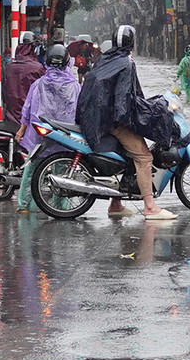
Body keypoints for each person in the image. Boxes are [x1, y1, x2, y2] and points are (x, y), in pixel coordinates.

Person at [75, 24, 176, 220]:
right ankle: (150, 207)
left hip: (96, 118)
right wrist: (137, 119)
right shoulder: (127, 63)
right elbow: (124, 100)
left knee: (126, 157)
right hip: (113, 121)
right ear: (132, 43)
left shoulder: (105, 58)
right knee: (144, 157)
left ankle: (116, 204)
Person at [15, 43, 81, 212]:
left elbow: (27, 109)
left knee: (32, 168)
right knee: (63, 170)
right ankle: (63, 207)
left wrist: (22, 130)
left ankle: (24, 205)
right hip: (65, 137)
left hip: (41, 135)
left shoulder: (38, 84)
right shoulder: (74, 86)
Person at [3, 35, 46, 124]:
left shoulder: (9, 67)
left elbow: (4, 92)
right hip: (31, 120)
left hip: (11, 119)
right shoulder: (38, 68)